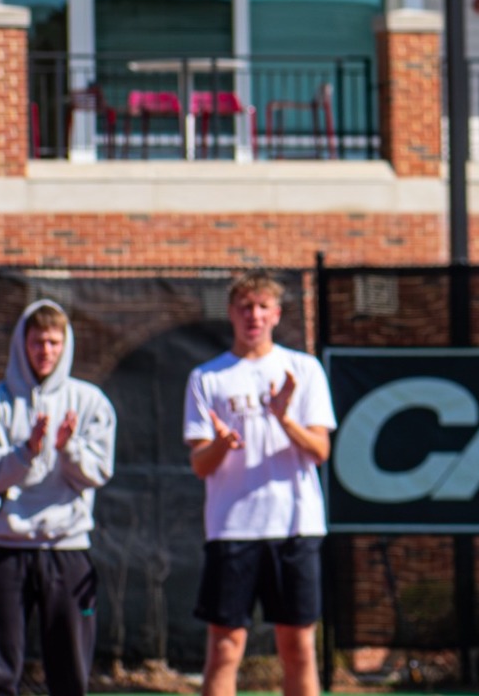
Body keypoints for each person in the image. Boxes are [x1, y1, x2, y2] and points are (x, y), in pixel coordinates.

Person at [183, 272, 337, 696]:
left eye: (262, 306)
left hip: (295, 528)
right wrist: (222, 444)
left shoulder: (303, 369)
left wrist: (284, 417)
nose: (254, 315)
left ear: (276, 314)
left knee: (298, 646)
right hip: (232, 529)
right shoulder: (206, 378)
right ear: (231, 313)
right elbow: (200, 464)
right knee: (226, 646)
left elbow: (320, 451)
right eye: (245, 307)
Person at [0, 300, 115, 696]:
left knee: (69, 676)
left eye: (53, 342)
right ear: (21, 344)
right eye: (37, 342)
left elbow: (98, 472)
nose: (45, 351)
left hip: (67, 552)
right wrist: (26, 450)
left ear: (65, 345)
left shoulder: (90, 402)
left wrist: (67, 449)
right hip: (4, 550)